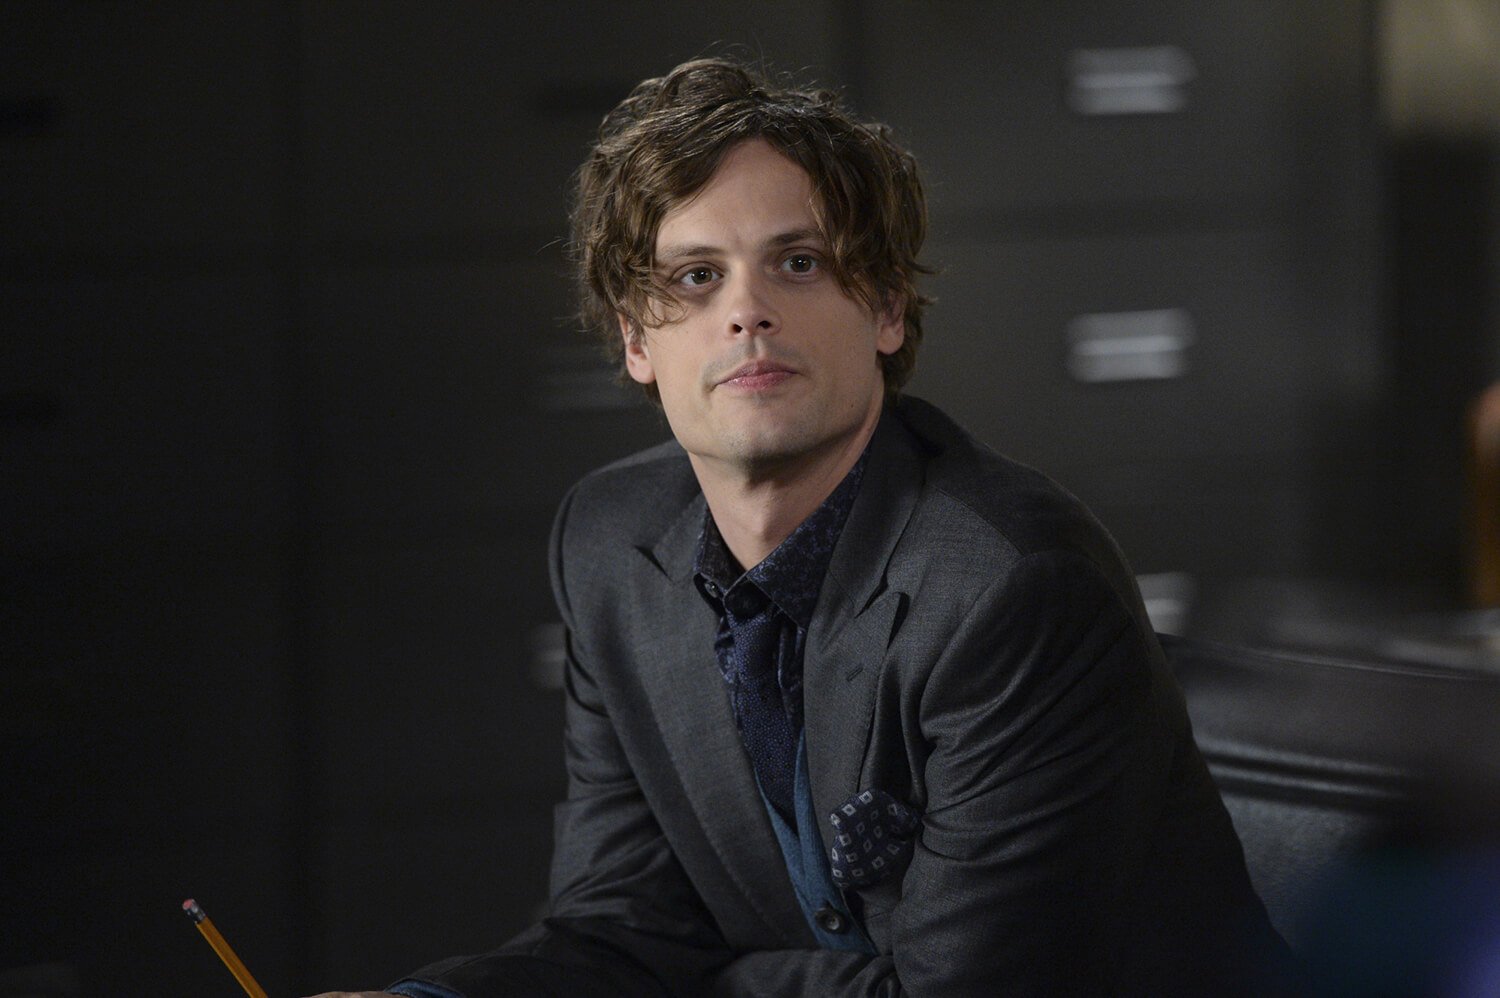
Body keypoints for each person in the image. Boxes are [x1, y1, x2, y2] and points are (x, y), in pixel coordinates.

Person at [314, 57, 1290, 997]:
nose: (747, 311)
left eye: (798, 262)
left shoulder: (1014, 584)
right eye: (696, 276)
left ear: (887, 308)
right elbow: (619, 926)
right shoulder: (610, 544)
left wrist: (703, 982)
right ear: (634, 340)